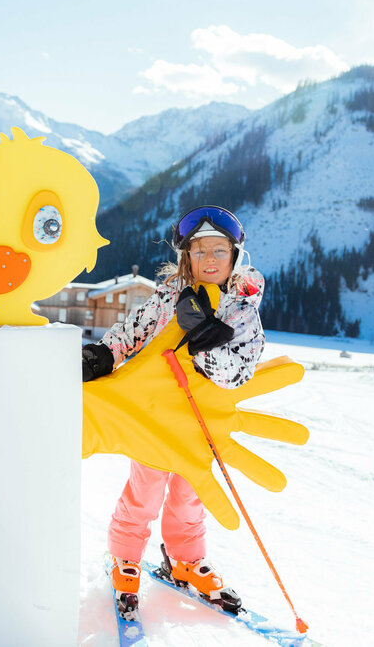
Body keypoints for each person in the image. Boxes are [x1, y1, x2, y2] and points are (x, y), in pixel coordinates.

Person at [81, 205, 265, 618]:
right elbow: (132, 332)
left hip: (200, 425)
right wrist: (101, 356)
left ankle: (186, 560)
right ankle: (125, 558)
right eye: (200, 251)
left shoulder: (242, 310)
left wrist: (206, 344)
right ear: (187, 257)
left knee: (189, 496)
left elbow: (239, 373)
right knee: (144, 492)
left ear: (235, 256)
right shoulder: (168, 297)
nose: (210, 259)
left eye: (220, 250)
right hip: (154, 417)